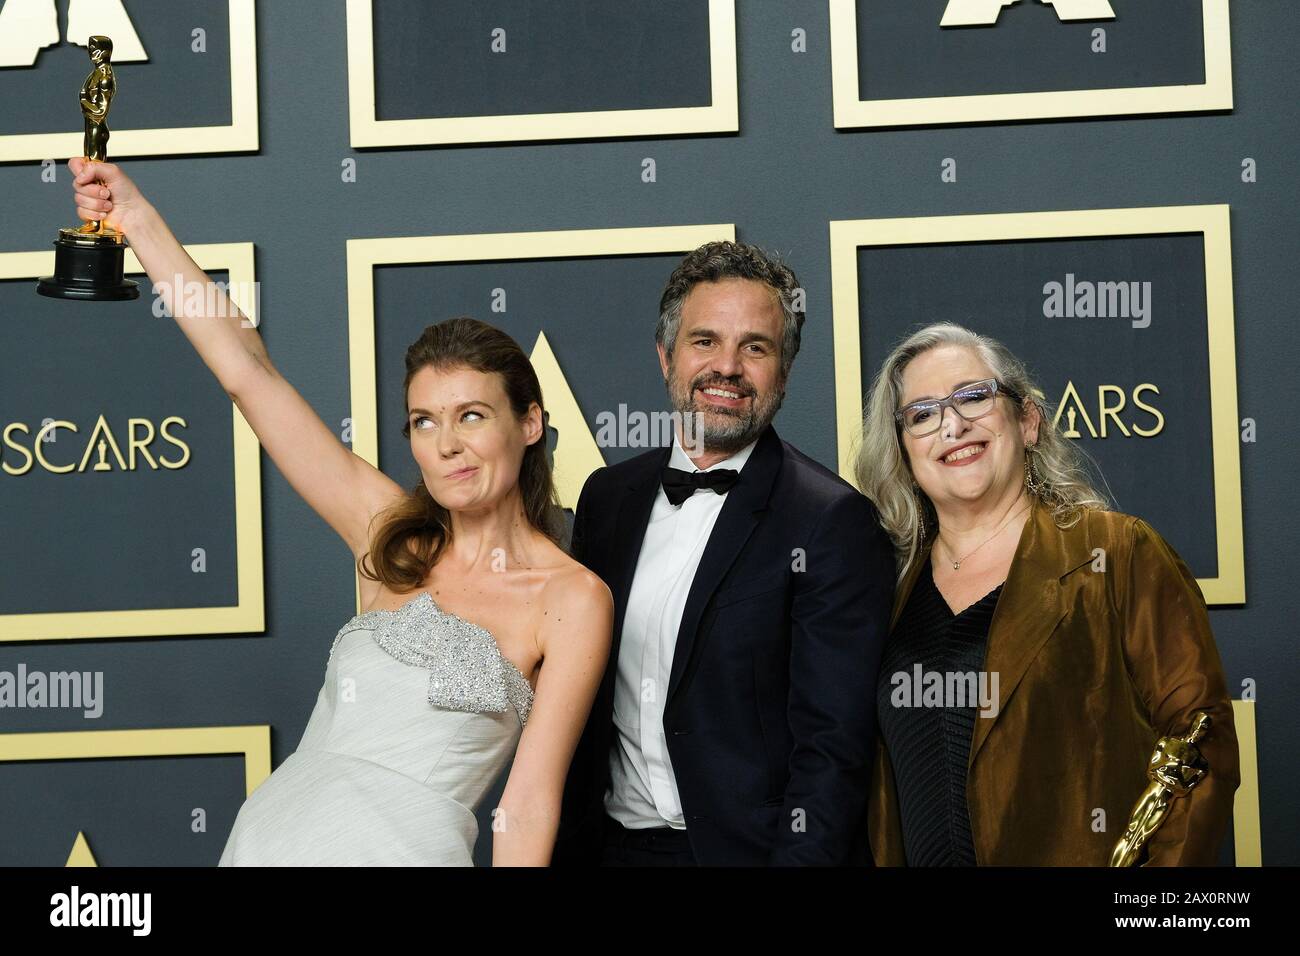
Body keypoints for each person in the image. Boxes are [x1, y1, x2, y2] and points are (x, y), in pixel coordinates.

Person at [65, 158, 613, 866]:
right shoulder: (388, 530)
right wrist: (135, 218)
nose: (447, 446)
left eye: (472, 415)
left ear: (530, 423)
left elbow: (529, 801)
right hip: (270, 841)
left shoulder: (571, 598)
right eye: (423, 422)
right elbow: (247, 374)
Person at [554, 240, 896, 866]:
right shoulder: (607, 500)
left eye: (756, 347)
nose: (728, 368)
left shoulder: (831, 521)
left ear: (784, 374)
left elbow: (832, 748)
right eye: (705, 341)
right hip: (605, 851)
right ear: (666, 356)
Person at [856, 321, 1239, 865]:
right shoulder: (886, 588)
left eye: (973, 398)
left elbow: (1202, 746)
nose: (953, 425)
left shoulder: (1115, 552)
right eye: (923, 414)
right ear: (903, 452)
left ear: (1028, 420)